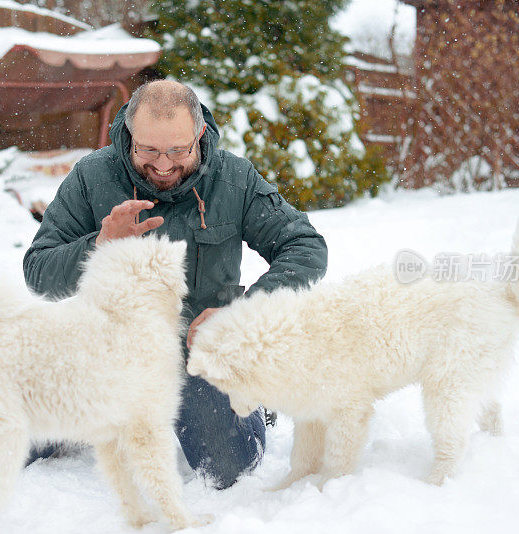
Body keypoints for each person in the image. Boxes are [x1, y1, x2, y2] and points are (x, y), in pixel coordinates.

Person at [23, 80, 328, 489]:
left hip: (197, 350)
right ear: (129, 136)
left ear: (199, 135)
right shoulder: (92, 176)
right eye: (148, 150)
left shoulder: (233, 178)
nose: (163, 164)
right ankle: (107, 410)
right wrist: (99, 244)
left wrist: (241, 315)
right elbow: (38, 272)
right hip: (107, 346)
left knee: (228, 468)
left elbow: (305, 246)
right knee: (12, 437)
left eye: (178, 150)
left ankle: (255, 403)